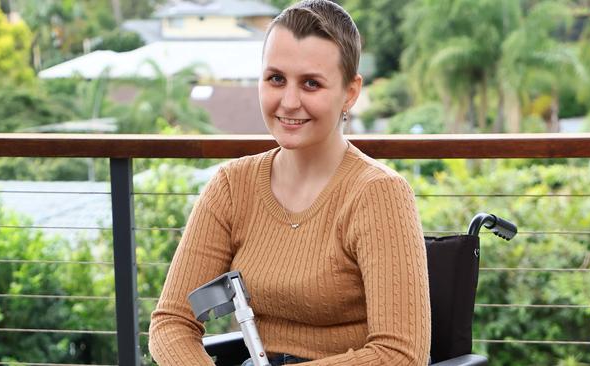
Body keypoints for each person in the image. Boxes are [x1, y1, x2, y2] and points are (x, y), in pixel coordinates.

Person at [148, 0, 431, 364]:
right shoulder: (232, 186)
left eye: (311, 83)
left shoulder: (378, 194)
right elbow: (172, 322)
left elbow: (401, 355)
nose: (289, 101)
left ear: (350, 92)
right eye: (276, 79)